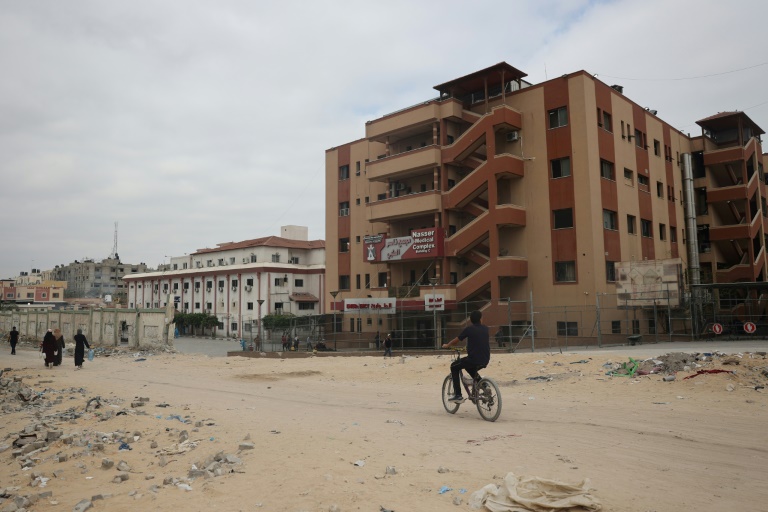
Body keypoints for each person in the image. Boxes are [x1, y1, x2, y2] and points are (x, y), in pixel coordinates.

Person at [442, 310, 491, 403]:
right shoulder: (485, 329)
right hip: (485, 359)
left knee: (454, 366)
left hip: (473, 359)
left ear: (471, 320)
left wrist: (447, 345)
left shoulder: (469, 329)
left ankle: (458, 395)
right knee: (470, 368)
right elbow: (478, 342)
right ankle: (484, 386)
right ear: (480, 319)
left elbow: (457, 340)